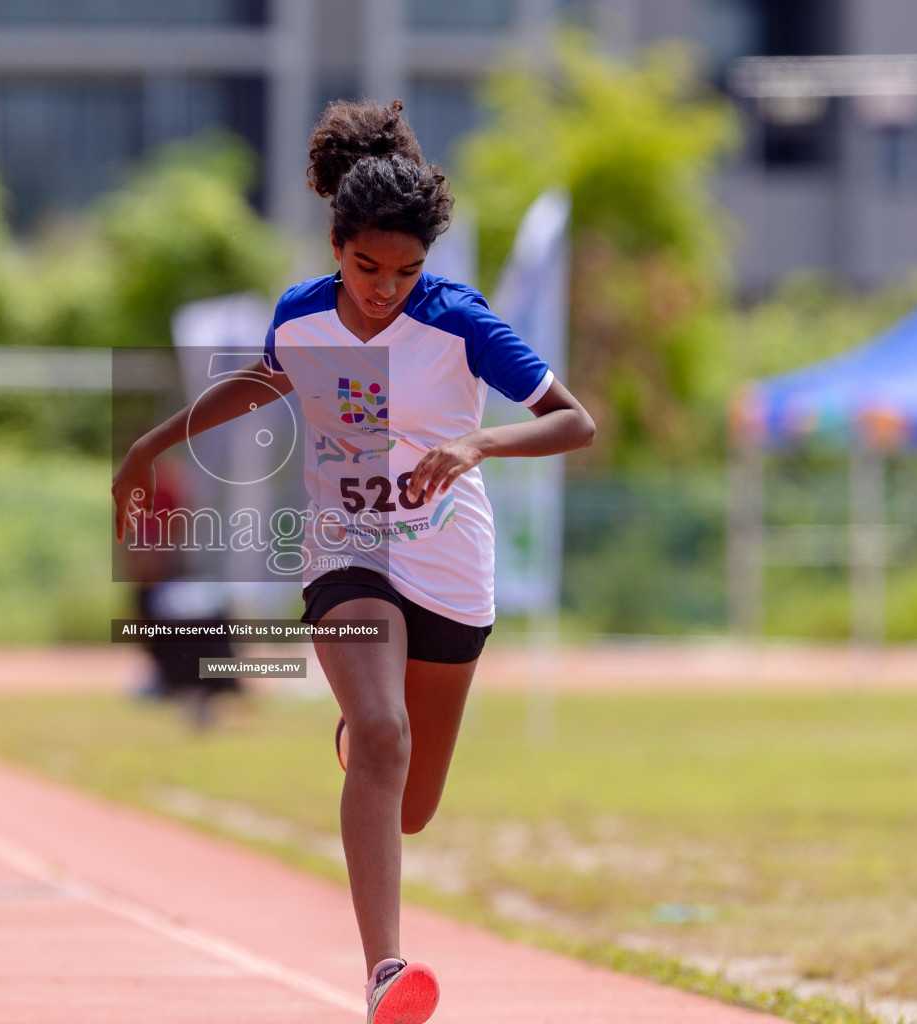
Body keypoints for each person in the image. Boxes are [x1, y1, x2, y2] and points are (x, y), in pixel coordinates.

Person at [112, 100, 594, 1023]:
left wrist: (476, 446)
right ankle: (385, 973)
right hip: (348, 545)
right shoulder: (300, 320)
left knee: (409, 803)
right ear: (336, 245)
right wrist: (151, 445)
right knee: (384, 736)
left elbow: (575, 420)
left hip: (451, 561)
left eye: (406, 271)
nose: (385, 288)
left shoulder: (460, 320)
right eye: (367, 267)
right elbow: (256, 384)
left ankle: (360, 738)